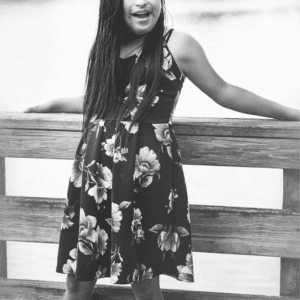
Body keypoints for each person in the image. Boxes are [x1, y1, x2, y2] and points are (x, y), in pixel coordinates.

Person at [24, 0, 300, 299]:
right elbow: (104, 101)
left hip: (145, 169)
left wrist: (290, 113)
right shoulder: (107, 44)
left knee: (143, 274)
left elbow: (224, 91)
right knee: (78, 279)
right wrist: (51, 105)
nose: (143, 2)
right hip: (97, 172)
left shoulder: (177, 44)